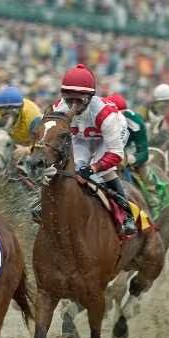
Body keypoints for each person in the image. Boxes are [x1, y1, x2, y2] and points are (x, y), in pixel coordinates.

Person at [51, 64, 136, 236]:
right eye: (69, 100)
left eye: (79, 100)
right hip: (82, 136)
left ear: (89, 97)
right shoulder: (58, 108)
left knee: (104, 172)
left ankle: (127, 214)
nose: (73, 106)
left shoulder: (105, 115)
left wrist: (93, 168)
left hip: (108, 138)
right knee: (73, 167)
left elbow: (116, 154)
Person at [105, 93, 161, 213]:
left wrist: (133, 158)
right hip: (109, 151)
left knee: (143, 167)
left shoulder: (136, 121)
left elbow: (144, 152)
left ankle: (152, 196)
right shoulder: (100, 119)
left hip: (129, 151)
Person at [0, 85, 42, 161]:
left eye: (12, 109)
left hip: (30, 142)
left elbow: (42, 141)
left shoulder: (33, 115)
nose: (7, 113)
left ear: (21, 107)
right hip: (7, 143)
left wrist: (27, 150)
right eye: (3, 109)